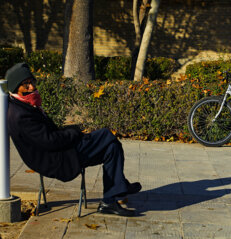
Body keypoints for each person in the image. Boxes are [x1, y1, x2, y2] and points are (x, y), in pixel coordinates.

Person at [6, 62, 141, 217]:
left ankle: (109, 202)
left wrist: (71, 132)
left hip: (60, 150)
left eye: (31, 82)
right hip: (55, 159)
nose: (31, 87)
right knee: (105, 134)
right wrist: (74, 133)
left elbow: (49, 136)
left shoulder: (23, 105)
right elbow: (49, 141)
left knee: (112, 148)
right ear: (16, 88)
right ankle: (120, 185)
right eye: (25, 85)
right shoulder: (20, 114)